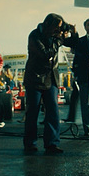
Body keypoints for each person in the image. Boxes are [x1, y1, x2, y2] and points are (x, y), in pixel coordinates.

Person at [23, 13, 74, 154]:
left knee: (53, 111)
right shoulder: (34, 36)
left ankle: (52, 143)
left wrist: (73, 34)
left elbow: (73, 44)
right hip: (35, 78)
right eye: (56, 27)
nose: (58, 30)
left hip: (51, 78)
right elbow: (46, 54)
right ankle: (30, 143)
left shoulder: (55, 36)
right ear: (49, 25)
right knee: (33, 111)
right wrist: (59, 39)